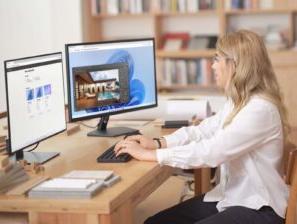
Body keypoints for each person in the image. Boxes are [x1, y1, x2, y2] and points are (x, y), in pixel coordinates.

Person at [114, 29, 290, 224]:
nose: (213, 66)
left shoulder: (259, 109)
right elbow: (204, 130)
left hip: (259, 209)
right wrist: (158, 143)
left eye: (217, 59)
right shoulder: (238, 101)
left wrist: (151, 155)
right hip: (232, 197)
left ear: (235, 65)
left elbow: (213, 151)